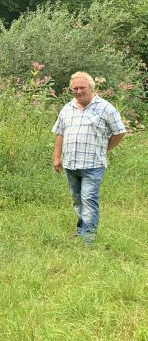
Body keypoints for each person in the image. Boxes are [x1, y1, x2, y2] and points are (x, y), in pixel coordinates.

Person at [52, 71, 126, 244]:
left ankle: (89, 239)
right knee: (77, 199)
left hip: (93, 164)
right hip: (71, 163)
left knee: (88, 199)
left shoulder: (105, 108)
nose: (78, 91)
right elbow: (59, 133)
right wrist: (56, 157)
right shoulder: (67, 108)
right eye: (75, 88)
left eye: (82, 87)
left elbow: (120, 132)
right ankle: (81, 230)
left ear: (91, 88)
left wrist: (105, 149)